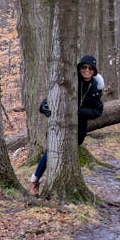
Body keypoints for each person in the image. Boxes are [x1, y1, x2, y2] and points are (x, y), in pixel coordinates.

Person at [29, 55, 104, 195]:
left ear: (94, 70)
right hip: (60, 124)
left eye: (90, 68)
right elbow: (50, 99)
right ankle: (35, 181)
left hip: (79, 129)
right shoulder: (71, 80)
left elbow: (97, 111)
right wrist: (44, 107)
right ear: (79, 68)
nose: (87, 70)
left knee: (66, 154)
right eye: (84, 67)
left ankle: (67, 184)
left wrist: (78, 112)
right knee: (51, 151)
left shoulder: (95, 87)